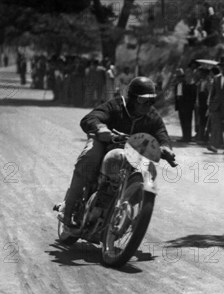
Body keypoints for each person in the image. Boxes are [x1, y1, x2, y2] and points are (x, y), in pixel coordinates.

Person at [58, 77, 176, 227]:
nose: (148, 105)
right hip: (106, 143)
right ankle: (67, 209)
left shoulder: (152, 115)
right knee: (89, 159)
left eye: (151, 101)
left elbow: (161, 133)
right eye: (143, 100)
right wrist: (101, 128)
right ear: (132, 98)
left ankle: (132, 214)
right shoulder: (116, 105)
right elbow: (91, 117)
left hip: (134, 151)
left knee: (150, 172)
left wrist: (165, 147)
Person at [174, 68, 197, 142]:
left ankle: (188, 137)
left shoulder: (188, 84)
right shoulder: (177, 85)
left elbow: (192, 95)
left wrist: (190, 105)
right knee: (182, 121)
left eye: (180, 77)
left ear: (183, 77)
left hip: (187, 106)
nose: (179, 78)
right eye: (178, 77)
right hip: (180, 105)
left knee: (187, 122)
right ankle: (184, 136)